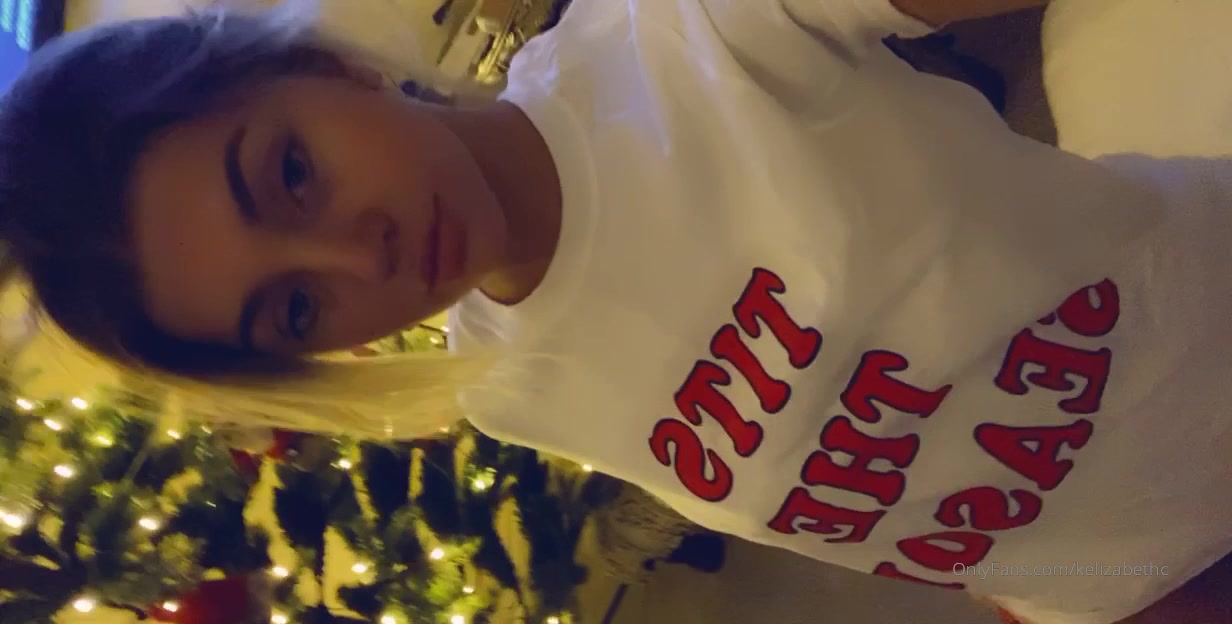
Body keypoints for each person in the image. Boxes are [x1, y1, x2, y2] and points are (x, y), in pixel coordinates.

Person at [0, 0, 1225, 623]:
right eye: (294, 309)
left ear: (320, 68)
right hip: (1114, 595)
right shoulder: (509, 387)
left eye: (290, 173)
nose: (354, 255)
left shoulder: (677, 43)